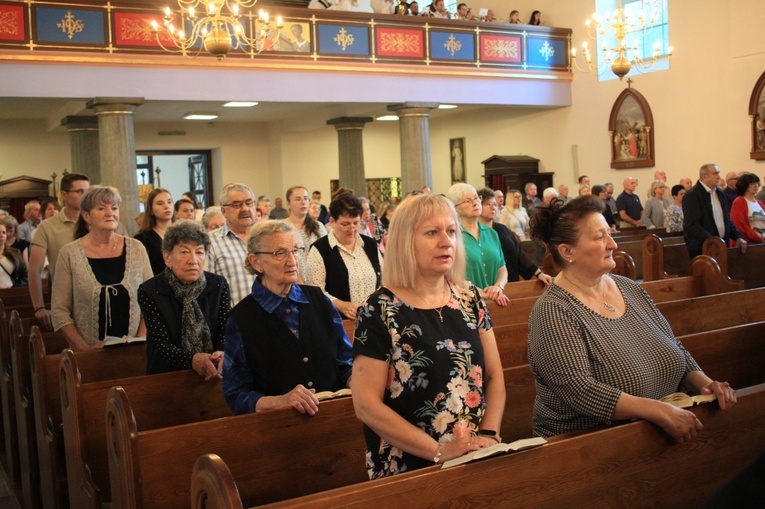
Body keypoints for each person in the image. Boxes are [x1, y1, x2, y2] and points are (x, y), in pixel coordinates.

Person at [527, 196, 737, 439]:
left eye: (610, 233)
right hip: (587, 447)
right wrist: (657, 411)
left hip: (655, 432)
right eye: (599, 237)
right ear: (567, 251)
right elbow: (581, 391)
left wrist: (704, 383)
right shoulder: (553, 311)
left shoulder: (629, 288)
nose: (613, 244)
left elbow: (673, 347)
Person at [351, 193, 505, 478]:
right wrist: (438, 451)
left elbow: (494, 376)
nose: (446, 241)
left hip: (474, 454)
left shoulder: (470, 298)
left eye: (450, 231)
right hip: (410, 464)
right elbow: (365, 405)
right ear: (405, 242)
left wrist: (490, 435)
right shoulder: (380, 310)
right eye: (432, 233)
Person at [222, 221, 352, 415]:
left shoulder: (319, 300)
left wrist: (356, 382)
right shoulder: (241, 318)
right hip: (280, 428)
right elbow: (236, 395)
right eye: (279, 253)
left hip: (336, 416)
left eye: (296, 250)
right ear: (256, 262)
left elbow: (346, 360)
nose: (292, 261)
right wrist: (280, 401)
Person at [52, 186, 152, 350]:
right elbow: (60, 311)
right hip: (87, 355)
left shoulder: (136, 248)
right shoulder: (69, 253)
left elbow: (151, 301)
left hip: (134, 351)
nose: (109, 213)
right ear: (86, 216)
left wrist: (138, 340)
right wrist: (85, 350)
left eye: (114, 208)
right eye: (101, 208)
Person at [138, 220, 230, 378]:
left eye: (199, 252)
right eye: (184, 252)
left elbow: (225, 332)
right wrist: (192, 360)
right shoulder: (151, 290)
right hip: (167, 376)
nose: (193, 260)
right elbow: (161, 346)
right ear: (167, 258)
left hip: (215, 372)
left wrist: (221, 353)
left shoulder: (218, 285)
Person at [304, 192, 383, 320]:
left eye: (355, 223)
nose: (351, 228)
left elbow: (383, 281)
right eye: (345, 224)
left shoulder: (370, 245)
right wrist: (339, 305)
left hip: (373, 320)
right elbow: (315, 292)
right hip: (339, 323)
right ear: (332, 221)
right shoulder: (320, 249)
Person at [29, 173, 90, 331]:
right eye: (80, 192)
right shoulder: (47, 226)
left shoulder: (94, 222)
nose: (86, 197)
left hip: (95, 298)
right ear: (64, 194)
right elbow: (34, 269)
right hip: (66, 302)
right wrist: (39, 307)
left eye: (88, 192)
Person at [447, 183, 509, 306]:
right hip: (464, 303)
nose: (475, 203)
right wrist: (480, 293)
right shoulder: (452, 236)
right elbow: (450, 275)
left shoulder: (491, 233)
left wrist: (498, 287)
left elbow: (502, 269)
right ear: (455, 209)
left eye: (476, 198)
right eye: (467, 201)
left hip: (494, 301)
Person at [478, 188, 552, 284]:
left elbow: (519, 253)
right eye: (488, 204)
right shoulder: (475, 233)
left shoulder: (502, 229)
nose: (493, 208)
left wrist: (539, 274)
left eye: (495, 205)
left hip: (510, 281)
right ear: (478, 206)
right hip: (489, 285)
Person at [207, 183, 258, 305]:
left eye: (249, 203)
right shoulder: (210, 242)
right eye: (236, 205)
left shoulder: (267, 237)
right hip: (232, 320)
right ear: (224, 211)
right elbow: (206, 289)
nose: (245, 209)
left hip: (270, 318)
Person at [683, 164, 746, 259]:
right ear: (705, 177)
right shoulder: (692, 195)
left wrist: (737, 237)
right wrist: (711, 240)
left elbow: (726, 219)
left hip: (721, 246)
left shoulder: (720, 193)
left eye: (718, 173)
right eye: (715, 173)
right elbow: (692, 224)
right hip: (702, 248)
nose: (719, 177)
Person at [284, 186, 327, 282]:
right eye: (298, 199)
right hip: (292, 282)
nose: (303, 202)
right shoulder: (282, 228)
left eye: (306, 199)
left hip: (318, 282)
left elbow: (327, 255)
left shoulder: (318, 226)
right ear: (288, 204)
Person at [135, 187, 174, 275]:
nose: (167, 206)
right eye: (160, 203)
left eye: (169, 202)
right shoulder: (142, 238)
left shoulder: (183, 234)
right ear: (151, 209)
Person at [730, 173, 765, 244]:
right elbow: (741, 226)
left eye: (757, 183)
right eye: (752, 183)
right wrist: (758, 238)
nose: (756, 185)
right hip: (749, 242)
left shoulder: (759, 203)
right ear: (745, 185)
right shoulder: (739, 202)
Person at [0, 222, 27, 288]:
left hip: (11, 292)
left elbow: (24, 274)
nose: (1, 235)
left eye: (4, 232)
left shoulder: (15, 253)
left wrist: (17, 287)